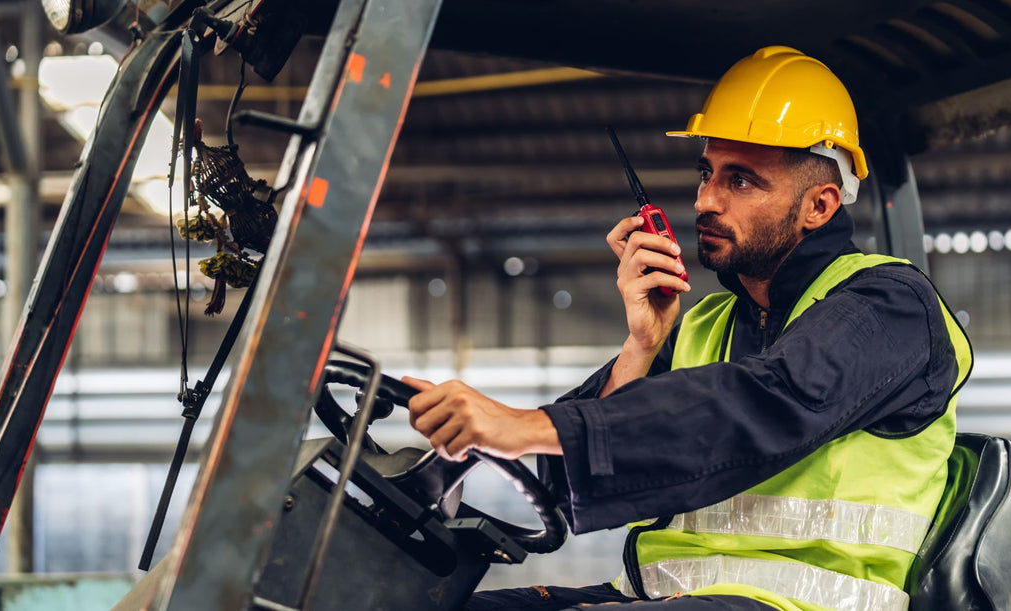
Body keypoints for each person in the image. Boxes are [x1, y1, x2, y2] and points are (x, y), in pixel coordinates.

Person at [402, 46, 972, 611]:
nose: (705, 200)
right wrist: (640, 347)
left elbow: (761, 404)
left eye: (741, 181)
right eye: (706, 173)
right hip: (666, 598)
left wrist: (527, 425)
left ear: (818, 206)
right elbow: (572, 478)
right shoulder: (701, 325)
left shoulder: (889, 305)